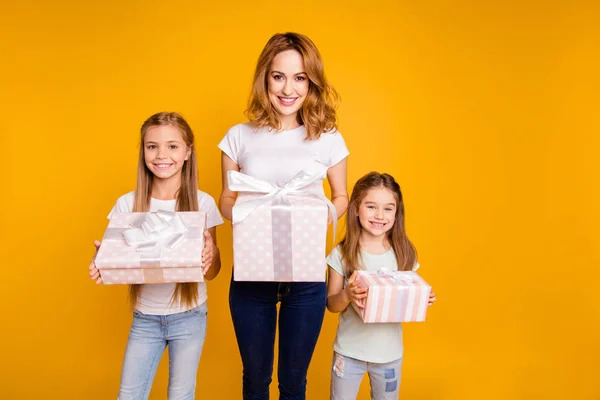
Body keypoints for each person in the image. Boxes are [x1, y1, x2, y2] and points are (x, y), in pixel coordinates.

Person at [218, 32, 349, 400]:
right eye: (279, 76)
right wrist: (246, 213)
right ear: (265, 79)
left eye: (300, 78)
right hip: (250, 277)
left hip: (306, 279)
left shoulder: (328, 137)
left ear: (311, 82)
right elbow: (227, 198)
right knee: (255, 380)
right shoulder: (238, 137)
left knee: (293, 385)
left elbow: (340, 197)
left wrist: (310, 218)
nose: (288, 88)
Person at [88, 112, 223, 399]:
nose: (162, 154)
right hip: (145, 318)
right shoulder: (127, 204)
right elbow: (119, 260)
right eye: (152, 146)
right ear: (143, 151)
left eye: (172, 146)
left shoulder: (203, 203)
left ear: (188, 152)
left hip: (190, 316)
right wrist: (104, 261)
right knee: (130, 394)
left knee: (181, 394)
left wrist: (211, 254)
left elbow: (212, 271)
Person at [326, 172, 436, 400]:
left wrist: (422, 297)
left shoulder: (404, 253)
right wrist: (347, 294)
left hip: (389, 355)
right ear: (356, 209)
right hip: (349, 352)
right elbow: (331, 304)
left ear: (397, 212)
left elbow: (407, 295)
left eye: (388, 208)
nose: (380, 215)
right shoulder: (342, 253)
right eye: (371, 206)